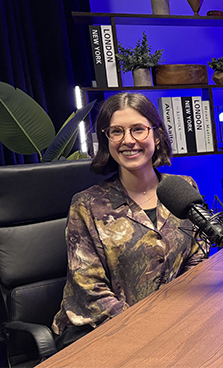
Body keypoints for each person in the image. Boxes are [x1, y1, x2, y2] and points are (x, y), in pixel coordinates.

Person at [52, 93, 207, 349]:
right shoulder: (86, 205)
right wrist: (149, 329)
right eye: (117, 131)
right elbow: (90, 290)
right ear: (107, 139)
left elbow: (197, 257)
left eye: (138, 129)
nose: (128, 140)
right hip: (102, 334)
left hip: (174, 327)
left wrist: (184, 316)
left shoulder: (184, 187)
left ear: (156, 136)